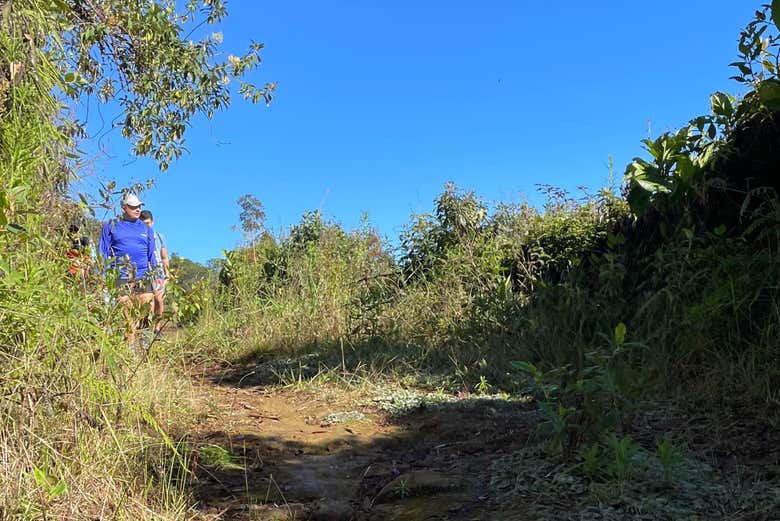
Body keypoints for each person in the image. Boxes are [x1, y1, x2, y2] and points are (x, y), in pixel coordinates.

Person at [99, 193, 157, 343]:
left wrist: (158, 274)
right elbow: (103, 251)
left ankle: (145, 344)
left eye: (139, 206)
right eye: (133, 207)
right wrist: (102, 274)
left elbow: (152, 253)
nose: (137, 209)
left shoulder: (146, 228)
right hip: (121, 275)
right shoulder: (111, 225)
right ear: (124, 208)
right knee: (128, 315)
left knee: (145, 311)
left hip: (143, 275)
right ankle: (129, 350)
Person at [140, 209, 171, 337]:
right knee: (149, 301)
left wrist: (167, 273)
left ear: (152, 222)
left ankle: (157, 328)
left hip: (158, 271)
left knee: (159, 299)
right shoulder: (138, 238)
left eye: (147, 223)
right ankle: (147, 328)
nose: (146, 226)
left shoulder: (159, 237)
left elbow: (164, 257)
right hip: (145, 271)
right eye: (143, 223)